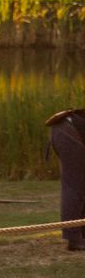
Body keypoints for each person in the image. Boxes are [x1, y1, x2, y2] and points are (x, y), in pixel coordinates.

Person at [48, 106, 85, 252]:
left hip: (68, 129)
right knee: (74, 186)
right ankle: (74, 238)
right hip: (68, 131)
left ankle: (80, 233)